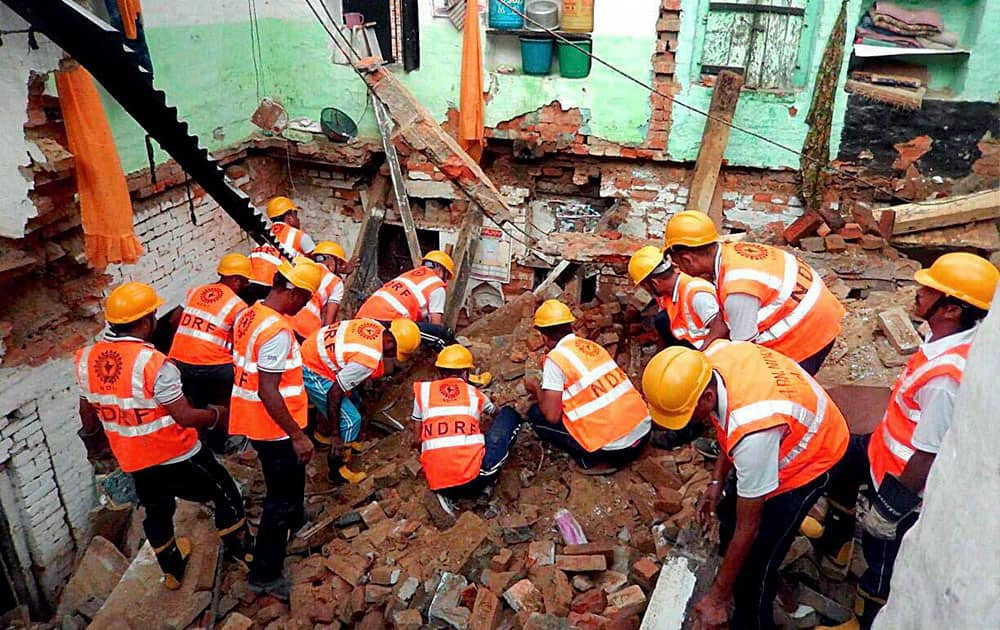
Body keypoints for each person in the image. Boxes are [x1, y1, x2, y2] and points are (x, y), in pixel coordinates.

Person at [813, 252, 997, 630]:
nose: (918, 293)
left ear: (952, 309)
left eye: (929, 290)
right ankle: (838, 544)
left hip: (902, 479)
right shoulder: (945, 335)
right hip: (883, 451)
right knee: (843, 460)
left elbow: (927, 455)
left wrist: (891, 508)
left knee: (881, 563)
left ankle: (863, 619)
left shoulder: (947, 379)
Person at [642, 341, 848, 629]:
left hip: (813, 454)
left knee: (755, 569)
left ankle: (753, 620)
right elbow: (727, 425)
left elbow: (748, 528)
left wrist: (717, 598)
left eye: (686, 414)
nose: (686, 423)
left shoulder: (754, 435)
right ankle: (734, 571)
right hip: (785, 426)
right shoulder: (713, 358)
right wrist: (717, 481)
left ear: (707, 397)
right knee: (732, 516)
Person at [75, 282, 250, 590]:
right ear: (145, 322)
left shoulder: (86, 359)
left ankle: (171, 570)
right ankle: (243, 552)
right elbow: (183, 416)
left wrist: (95, 445)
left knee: (157, 509)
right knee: (225, 492)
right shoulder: (154, 363)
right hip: (176, 452)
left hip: (133, 457)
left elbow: (87, 412)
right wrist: (217, 415)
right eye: (152, 316)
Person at [229, 260, 322, 600]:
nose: (306, 306)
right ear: (293, 292)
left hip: (260, 420)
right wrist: (297, 435)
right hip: (273, 426)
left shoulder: (251, 314)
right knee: (278, 499)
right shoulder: (277, 332)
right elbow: (267, 389)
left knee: (291, 480)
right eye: (306, 299)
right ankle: (265, 575)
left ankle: (297, 521)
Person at [664, 210, 846, 375]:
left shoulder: (737, 287)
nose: (678, 271)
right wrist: (702, 356)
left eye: (677, 265)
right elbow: (724, 322)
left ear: (688, 259)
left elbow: (744, 352)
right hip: (821, 311)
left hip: (810, 333)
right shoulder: (734, 252)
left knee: (773, 387)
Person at [523, 299, 651, 471]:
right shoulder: (592, 346)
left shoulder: (556, 360)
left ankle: (589, 460)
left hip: (615, 451)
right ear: (570, 326)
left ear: (544, 336)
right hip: (643, 432)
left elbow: (552, 416)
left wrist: (537, 389)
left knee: (535, 415)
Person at [300, 317, 422, 483]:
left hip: (314, 348)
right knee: (351, 420)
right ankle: (337, 470)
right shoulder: (366, 360)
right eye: (395, 352)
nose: (393, 356)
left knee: (353, 400)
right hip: (311, 368)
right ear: (389, 342)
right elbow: (334, 394)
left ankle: (323, 435)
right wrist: (336, 435)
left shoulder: (375, 327)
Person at [412, 345, 522, 511]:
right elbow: (495, 413)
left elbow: (417, 439)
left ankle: (448, 494)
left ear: (440, 372)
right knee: (509, 415)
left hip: (437, 481)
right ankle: (489, 483)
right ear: (465, 373)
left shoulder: (423, 392)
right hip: (474, 478)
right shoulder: (474, 393)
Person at [167, 253, 251, 449]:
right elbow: (242, 341)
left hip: (179, 360)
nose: (246, 286)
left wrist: (189, 342)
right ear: (236, 279)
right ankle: (222, 441)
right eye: (245, 281)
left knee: (194, 402)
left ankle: (198, 440)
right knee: (229, 395)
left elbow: (173, 321)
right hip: (213, 365)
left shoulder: (196, 291)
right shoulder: (238, 306)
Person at [356, 250, 456, 350]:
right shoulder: (437, 285)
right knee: (442, 334)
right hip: (388, 321)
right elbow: (436, 323)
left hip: (362, 316)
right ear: (441, 270)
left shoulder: (409, 275)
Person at [629, 245, 723, 349]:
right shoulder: (666, 293)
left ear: (655, 283)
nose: (646, 291)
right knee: (661, 320)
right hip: (686, 343)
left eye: (644, 286)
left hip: (708, 349)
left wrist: (701, 355)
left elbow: (721, 328)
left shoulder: (697, 294)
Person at [289, 241, 350, 340]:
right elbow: (329, 319)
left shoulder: (302, 267)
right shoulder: (336, 282)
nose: (340, 268)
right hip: (307, 328)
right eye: (340, 264)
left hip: (287, 318)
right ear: (333, 260)